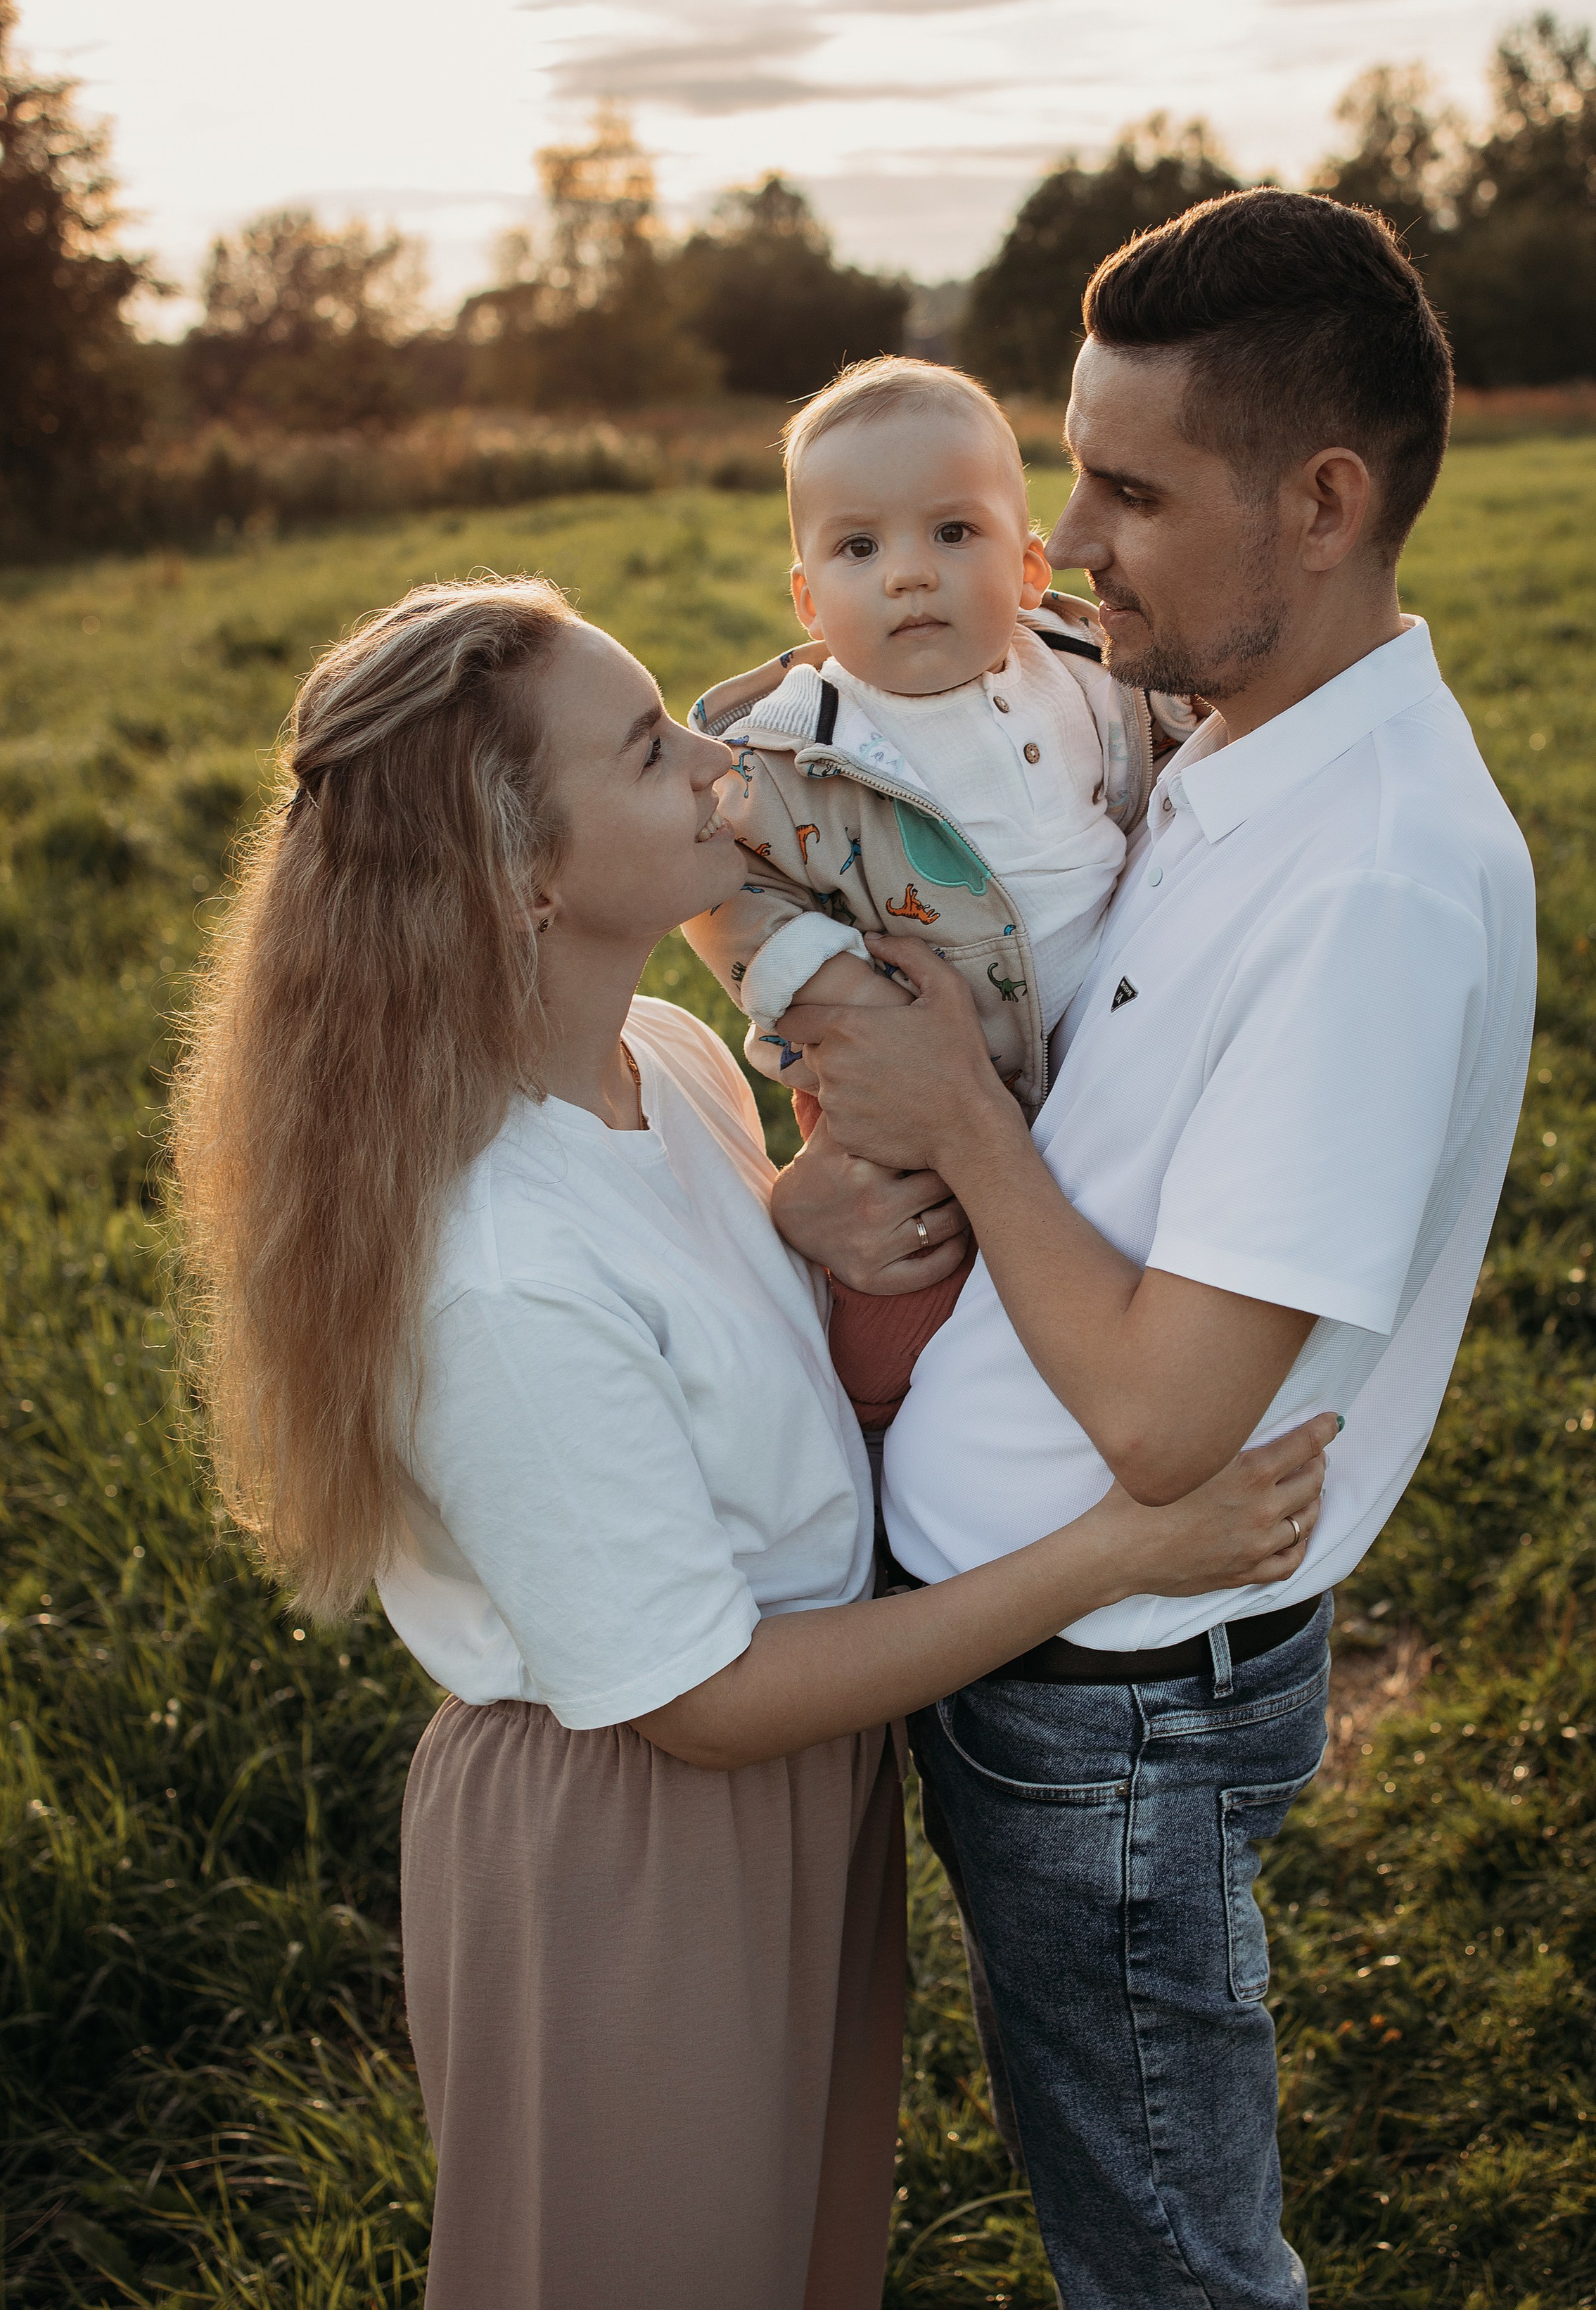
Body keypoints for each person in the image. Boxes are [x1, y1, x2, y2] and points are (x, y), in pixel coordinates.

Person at [169, 573, 1339, 2310]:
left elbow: (691, 1341)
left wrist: (786, 1230)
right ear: (527, 874)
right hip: (632, 1839)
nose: (721, 762)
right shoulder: (491, 1264)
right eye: (649, 753)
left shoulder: (659, 1055)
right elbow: (699, 1699)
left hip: (800, 1787)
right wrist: (1119, 1549)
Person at [773, 189, 1539, 2309]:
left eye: (1127, 488)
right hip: (1044, 1666)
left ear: (1322, 501)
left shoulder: (1369, 882)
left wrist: (944, 1123)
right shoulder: (1230, 748)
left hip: (1117, 1710)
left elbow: (1174, 1427)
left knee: (1172, 2269)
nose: (1064, 542)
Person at [684, 353, 1197, 1475]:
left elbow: (1187, 743)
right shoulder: (791, 746)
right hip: (905, 1103)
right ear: (811, 599)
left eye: (952, 536)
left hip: (1098, 1064)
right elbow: (719, 886)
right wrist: (835, 992)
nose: (910, 576)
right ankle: (867, 1454)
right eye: (861, 549)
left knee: (1093, 1280)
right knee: (898, 1298)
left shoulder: (1088, 675)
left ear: (1025, 568)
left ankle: (1062, 1444)